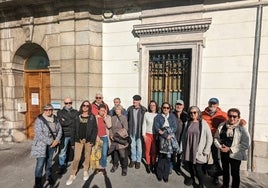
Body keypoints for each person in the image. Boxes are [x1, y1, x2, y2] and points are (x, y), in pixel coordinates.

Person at [214, 108, 250, 188]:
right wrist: (220, 147)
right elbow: (216, 138)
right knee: (225, 171)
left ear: (238, 117)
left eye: (234, 116)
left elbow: (246, 144)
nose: (232, 118)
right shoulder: (222, 125)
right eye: (230, 116)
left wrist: (230, 149)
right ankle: (225, 185)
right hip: (223, 153)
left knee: (235, 173)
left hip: (235, 154)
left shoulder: (242, 128)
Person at [66, 100, 98, 186]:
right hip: (78, 140)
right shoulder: (77, 116)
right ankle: (72, 174)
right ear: (81, 106)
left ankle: (85, 171)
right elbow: (73, 129)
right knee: (77, 158)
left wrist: (92, 140)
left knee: (87, 156)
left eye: (87, 106)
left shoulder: (92, 117)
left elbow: (95, 129)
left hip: (88, 141)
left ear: (89, 107)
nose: (85, 107)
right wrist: (72, 142)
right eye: (84, 105)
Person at [31, 104, 62, 188]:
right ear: (43, 110)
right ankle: (38, 182)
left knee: (49, 163)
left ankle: (49, 177)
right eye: (46, 110)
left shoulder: (55, 118)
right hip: (41, 145)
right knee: (40, 164)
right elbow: (39, 134)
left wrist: (57, 140)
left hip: (52, 145)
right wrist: (51, 141)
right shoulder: (39, 120)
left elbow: (60, 130)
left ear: (52, 110)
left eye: (50, 109)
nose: (48, 111)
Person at [182, 106, 213, 188]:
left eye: (194, 112)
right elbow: (183, 136)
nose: (193, 114)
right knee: (190, 166)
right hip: (189, 149)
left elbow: (209, 137)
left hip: (199, 150)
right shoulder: (187, 123)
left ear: (198, 113)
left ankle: (201, 183)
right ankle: (192, 178)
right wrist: (182, 148)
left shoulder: (203, 123)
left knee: (198, 168)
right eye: (191, 113)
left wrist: (206, 150)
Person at [202, 97, 228, 184]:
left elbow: (231, 122)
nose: (212, 105)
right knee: (203, 156)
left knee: (216, 158)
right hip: (204, 139)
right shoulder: (202, 114)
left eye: (214, 104)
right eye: (211, 103)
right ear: (208, 104)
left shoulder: (223, 114)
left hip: (216, 139)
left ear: (217, 105)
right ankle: (202, 172)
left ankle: (215, 176)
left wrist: (241, 122)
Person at [153, 102, 179, 182]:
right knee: (161, 157)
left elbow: (175, 127)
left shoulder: (172, 116)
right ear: (162, 108)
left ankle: (166, 175)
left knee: (168, 158)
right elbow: (157, 128)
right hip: (161, 139)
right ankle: (160, 174)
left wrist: (170, 135)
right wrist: (165, 135)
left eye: (167, 108)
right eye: (164, 107)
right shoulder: (158, 117)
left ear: (170, 109)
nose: (166, 109)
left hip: (170, 139)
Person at [57, 97, 79, 174]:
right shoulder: (60, 112)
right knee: (63, 151)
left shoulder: (76, 112)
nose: (68, 104)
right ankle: (62, 166)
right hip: (64, 134)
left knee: (76, 151)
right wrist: (72, 120)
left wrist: (66, 120)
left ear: (72, 103)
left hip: (74, 134)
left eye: (70, 103)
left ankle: (76, 165)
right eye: (66, 103)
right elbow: (61, 123)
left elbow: (77, 122)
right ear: (64, 103)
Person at [127, 94, 147, 169]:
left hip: (140, 131)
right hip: (132, 131)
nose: (134, 101)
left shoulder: (143, 110)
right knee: (132, 146)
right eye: (133, 100)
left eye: (136, 100)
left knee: (139, 147)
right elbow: (127, 119)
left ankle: (138, 161)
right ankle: (133, 160)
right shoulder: (130, 109)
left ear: (139, 101)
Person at [109, 105, 129, 176]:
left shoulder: (124, 118)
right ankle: (115, 165)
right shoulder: (113, 118)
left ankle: (124, 168)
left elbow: (125, 128)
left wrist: (117, 135)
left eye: (118, 109)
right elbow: (110, 128)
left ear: (121, 110)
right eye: (116, 109)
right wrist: (111, 135)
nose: (117, 110)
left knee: (123, 154)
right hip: (114, 138)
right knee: (115, 153)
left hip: (120, 138)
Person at [142, 100, 159, 173]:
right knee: (147, 150)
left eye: (154, 105)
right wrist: (144, 135)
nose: (152, 106)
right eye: (151, 105)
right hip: (148, 135)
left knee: (154, 151)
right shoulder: (146, 114)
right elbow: (144, 125)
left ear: (156, 106)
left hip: (156, 135)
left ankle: (153, 164)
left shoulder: (158, 115)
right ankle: (148, 165)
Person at [95, 104, 112, 175]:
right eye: (101, 110)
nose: (102, 112)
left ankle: (103, 167)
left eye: (104, 110)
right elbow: (93, 128)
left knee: (104, 153)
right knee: (98, 153)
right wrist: (96, 136)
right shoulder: (95, 117)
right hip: (97, 137)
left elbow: (109, 126)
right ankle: (98, 166)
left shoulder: (108, 117)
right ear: (98, 111)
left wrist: (105, 117)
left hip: (105, 137)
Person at [172, 99, 188, 173]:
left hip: (182, 137)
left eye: (180, 105)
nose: (178, 106)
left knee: (179, 153)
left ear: (183, 106)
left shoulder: (186, 115)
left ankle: (178, 167)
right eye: (177, 104)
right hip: (173, 137)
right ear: (175, 105)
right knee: (172, 152)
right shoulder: (171, 114)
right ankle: (171, 166)